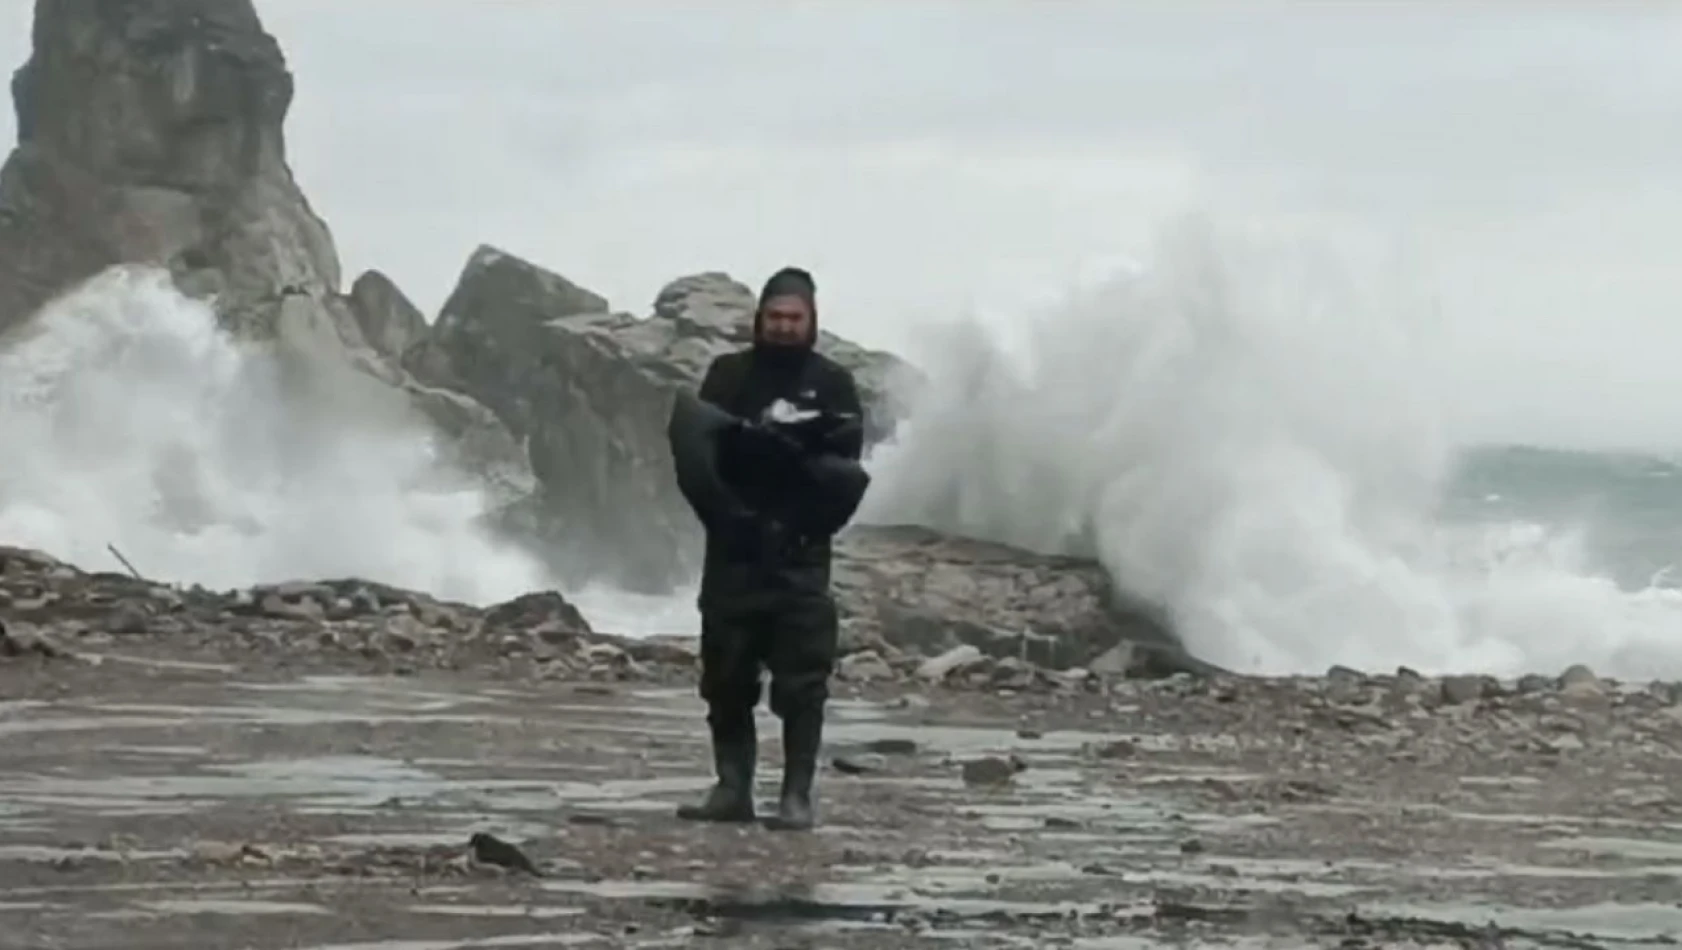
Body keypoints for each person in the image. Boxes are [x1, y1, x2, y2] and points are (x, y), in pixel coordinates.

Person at [671, 266, 866, 832]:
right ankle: (732, 788)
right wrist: (730, 508)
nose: (783, 327)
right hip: (733, 548)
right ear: (759, 318)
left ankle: (796, 796)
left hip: (800, 553)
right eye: (774, 317)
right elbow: (698, 451)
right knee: (725, 675)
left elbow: (846, 461)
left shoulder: (833, 384)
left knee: (802, 680)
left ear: (811, 322)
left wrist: (791, 454)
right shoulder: (728, 376)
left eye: (793, 318)